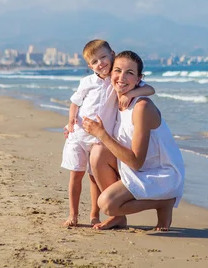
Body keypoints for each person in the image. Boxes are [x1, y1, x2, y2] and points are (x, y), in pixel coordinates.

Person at [82, 50, 185, 231]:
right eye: (118, 71)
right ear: (110, 73)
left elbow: (137, 162)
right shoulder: (115, 96)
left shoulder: (141, 107)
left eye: (130, 73)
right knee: (97, 153)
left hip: (159, 174)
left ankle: (163, 203)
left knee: (106, 203)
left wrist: (102, 134)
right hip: (134, 167)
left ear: (139, 79)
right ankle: (118, 218)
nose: (122, 77)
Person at [61, 40, 155, 227]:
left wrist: (129, 95)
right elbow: (75, 102)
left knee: (94, 177)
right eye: (95, 61)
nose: (101, 63)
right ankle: (73, 214)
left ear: (112, 54)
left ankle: (94, 215)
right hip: (78, 135)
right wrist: (71, 120)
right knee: (76, 175)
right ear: (89, 66)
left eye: (103, 57)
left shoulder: (117, 78)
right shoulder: (87, 82)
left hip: (98, 138)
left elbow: (150, 89)